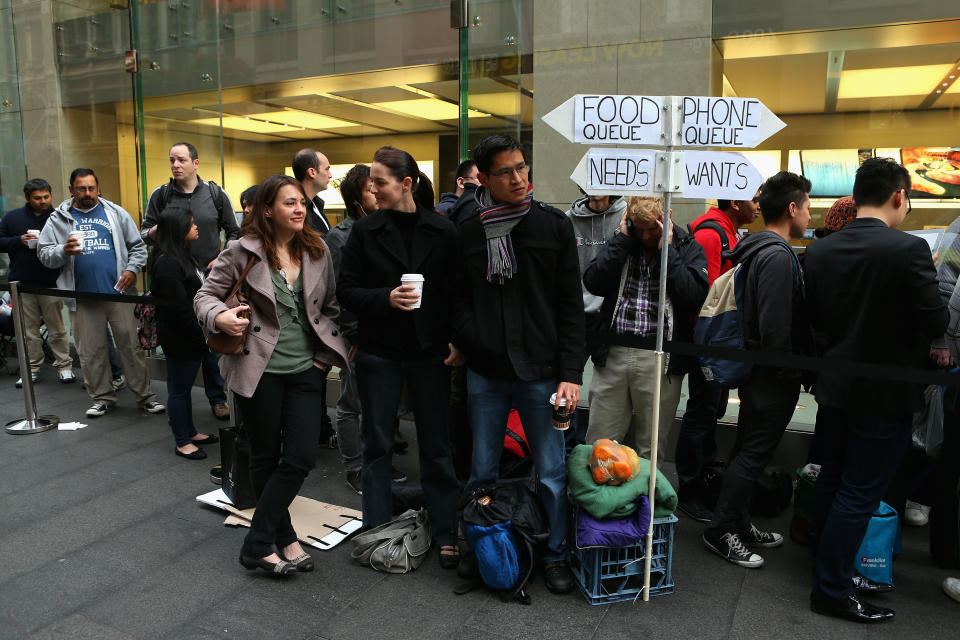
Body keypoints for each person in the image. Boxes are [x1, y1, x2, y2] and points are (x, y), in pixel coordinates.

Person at [805, 158, 947, 623]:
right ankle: (832, 588)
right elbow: (937, 320)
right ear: (899, 196)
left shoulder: (821, 250)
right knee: (859, 492)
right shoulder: (908, 250)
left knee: (832, 478)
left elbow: (816, 322)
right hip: (887, 391)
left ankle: (824, 568)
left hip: (836, 385)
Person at [194, 174, 348, 576]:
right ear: (267, 210)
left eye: (302, 202)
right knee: (265, 455)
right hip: (257, 368)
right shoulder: (241, 252)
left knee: (299, 457)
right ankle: (285, 536)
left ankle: (257, 541)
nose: (299, 209)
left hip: (305, 370)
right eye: (289, 203)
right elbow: (204, 296)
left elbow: (329, 307)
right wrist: (220, 316)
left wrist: (320, 360)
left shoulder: (317, 251)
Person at [453, 133, 584, 594]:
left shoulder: (552, 226)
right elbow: (457, 299)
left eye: (523, 167)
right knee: (482, 468)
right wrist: (474, 340)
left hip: (543, 371)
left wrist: (571, 373)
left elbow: (571, 304)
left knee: (550, 471)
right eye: (506, 171)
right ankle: (483, 546)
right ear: (483, 178)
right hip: (486, 371)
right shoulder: (466, 229)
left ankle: (555, 555)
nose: (519, 178)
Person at [338, 146, 461, 568]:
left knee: (436, 445)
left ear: (406, 184)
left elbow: (457, 294)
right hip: (380, 351)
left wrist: (456, 340)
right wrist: (385, 298)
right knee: (378, 444)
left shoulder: (442, 231)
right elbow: (346, 291)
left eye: (380, 181)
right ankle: (376, 528)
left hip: (429, 352)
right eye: (371, 182)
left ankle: (445, 529)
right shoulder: (364, 231)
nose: (371, 188)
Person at [701, 171, 811, 569]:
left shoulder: (757, 247)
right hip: (771, 374)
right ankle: (720, 531)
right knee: (752, 455)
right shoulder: (779, 256)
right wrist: (787, 371)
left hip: (756, 371)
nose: (810, 216)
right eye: (808, 207)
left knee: (746, 451)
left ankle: (739, 522)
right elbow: (775, 326)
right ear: (793, 208)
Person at [582, 196, 707, 459]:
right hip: (613, 352)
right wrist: (622, 240)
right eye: (639, 228)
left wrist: (668, 251)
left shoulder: (686, 245)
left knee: (651, 446)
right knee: (600, 444)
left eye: (653, 227)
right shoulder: (624, 240)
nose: (647, 235)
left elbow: (693, 297)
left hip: (660, 357)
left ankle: (646, 500)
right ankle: (601, 499)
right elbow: (593, 281)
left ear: (668, 217)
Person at [37, 168, 164, 418]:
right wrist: (63, 250)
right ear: (72, 189)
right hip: (83, 299)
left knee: (131, 348)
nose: (87, 193)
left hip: (119, 295)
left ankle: (145, 396)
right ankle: (103, 397)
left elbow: (138, 247)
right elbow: (44, 254)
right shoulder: (58, 219)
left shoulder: (115, 213)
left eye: (91, 188)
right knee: (91, 351)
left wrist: (131, 269)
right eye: (81, 188)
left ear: (98, 188)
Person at [676, 194, 760, 522]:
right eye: (754, 200)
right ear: (736, 203)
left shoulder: (726, 232)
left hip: (714, 345)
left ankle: (702, 482)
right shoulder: (712, 234)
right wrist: (708, 351)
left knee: (710, 412)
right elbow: (706, 297)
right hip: (707, 345)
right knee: (701, 414)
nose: (758, 207)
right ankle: (689, 489)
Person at [141, 142, 237, 421]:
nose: (175, 165)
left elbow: (234, 231)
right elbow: (144, 234)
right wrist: (165, 228)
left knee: (214, 338)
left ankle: (218, 398)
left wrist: (222, 259)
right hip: (175, 278)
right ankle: (182, 412)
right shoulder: (160, 195)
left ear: (196, 163)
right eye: (171, 159)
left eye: (181, 159)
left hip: (213, 279)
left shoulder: (215, 194)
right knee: (185, 335)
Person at [148, 211, 220, 460]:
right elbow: (178, 308)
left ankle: (190, 432)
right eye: (191, 225)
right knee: (179, 389)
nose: (196, 227)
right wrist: (202, 333)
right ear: (179, 230)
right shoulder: (168, 263)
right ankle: (182, 441)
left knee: (185, 388)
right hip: (182, 338)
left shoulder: (184, 255)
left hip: (193, 335)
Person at [326, 164, 375, 493]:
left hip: (378, 332)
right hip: (354, 334)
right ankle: (355, 467)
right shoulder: (341, 236)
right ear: (356, 195)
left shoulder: (379, 228)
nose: (378, 193)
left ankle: (372, 462)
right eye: (372, 188)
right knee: (351, 401)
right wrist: (351, 334)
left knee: (374, 401)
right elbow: (339, 293)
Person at [565, 191, 626, 448]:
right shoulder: (569, 219)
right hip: (577, 312)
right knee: (568, 381)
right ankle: (567, 445)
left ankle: (598, 448)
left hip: (610, 314)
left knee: (605, 389)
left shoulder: (624, 217)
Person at [0, 178, 75, 387]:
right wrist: (19, 241)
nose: (43, 201)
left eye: (46, 197)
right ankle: (31, 368)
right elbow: (0, 241)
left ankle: (64, 366)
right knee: (27, 330)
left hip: (51, 281)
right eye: (37, 198)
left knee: (56, 328)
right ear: (27, 198)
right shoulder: (12, 217)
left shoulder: (58, 217)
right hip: (21, 282)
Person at [293, 148, 333, 234]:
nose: (330, 175)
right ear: (312, 172)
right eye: (327, 169)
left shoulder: (316, 205)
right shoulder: (297, 212)